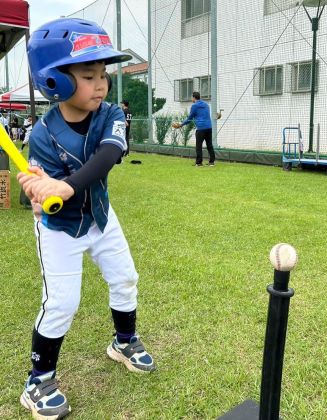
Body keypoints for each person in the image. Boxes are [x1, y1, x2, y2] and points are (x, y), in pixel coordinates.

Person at [17, 18, 155, 420]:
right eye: (88, 75)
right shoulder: (42, 134)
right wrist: (39, 193)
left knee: (125, 277)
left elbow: (109, 154)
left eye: (103, 76)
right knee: (62, 302)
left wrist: (66, 186)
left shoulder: (109, 113)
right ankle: (38, 381)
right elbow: (42, 197)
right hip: (60, 230)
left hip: (100, 216)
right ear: (54, 82)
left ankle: (124, 341)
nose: (101, 85)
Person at [173, 91, 217, 167]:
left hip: (201, 128)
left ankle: (199, 163)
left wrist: (181, 124)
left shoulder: (194, 106)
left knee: (199, 146)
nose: (191, 99)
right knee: (209, 145)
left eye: (192, 98)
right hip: (209, 127)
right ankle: (212, 162)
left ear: (194, 98)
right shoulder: (206, 105)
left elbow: (190, 118)